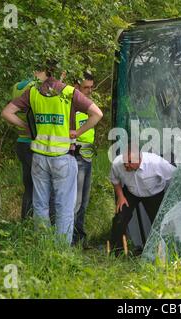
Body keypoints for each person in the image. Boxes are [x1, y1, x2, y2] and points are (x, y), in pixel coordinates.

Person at [1, 59, 103, 244]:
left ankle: (43, 245)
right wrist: (78, 132)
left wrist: (27, 127)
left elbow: (7, 112)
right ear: (62, 73)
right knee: (64, 206)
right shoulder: (69, 93)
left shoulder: (33, 92)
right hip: (63, 157)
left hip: (39, 157)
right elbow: (97, 114)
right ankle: (62, 250)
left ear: (44, 72)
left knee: (40, 204)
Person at [109, 144, 176, 254]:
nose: (126, 165)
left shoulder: (155, 162)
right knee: (120, 218)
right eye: (125, 162)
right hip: (131, 193)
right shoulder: (118, 163)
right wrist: (120, 197)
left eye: (130, 162)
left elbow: (175, 175)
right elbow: (115, 180)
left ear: (139, 159)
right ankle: (117, 251)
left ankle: (162, 252)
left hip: (154, 193)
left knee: (160, 223)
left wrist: (171, 198)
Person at [72, 70, 96, 247]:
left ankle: (80, 236)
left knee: (84, 202)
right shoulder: (71, 107)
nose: (89, 91)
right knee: (76, 201)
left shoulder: (89, 106)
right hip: (76, 156)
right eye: (85, 87)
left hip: (88, 157)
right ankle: (70, 238)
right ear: (76, 87)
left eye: (91, 87)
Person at [10, 79, 35, 220]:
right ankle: (30, 223)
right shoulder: (34, 87)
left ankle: (25, 223)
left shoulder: (16, 86)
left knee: (29, 187)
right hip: (31, 143)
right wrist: (28, 127)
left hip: (21, 142)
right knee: (37, 188)